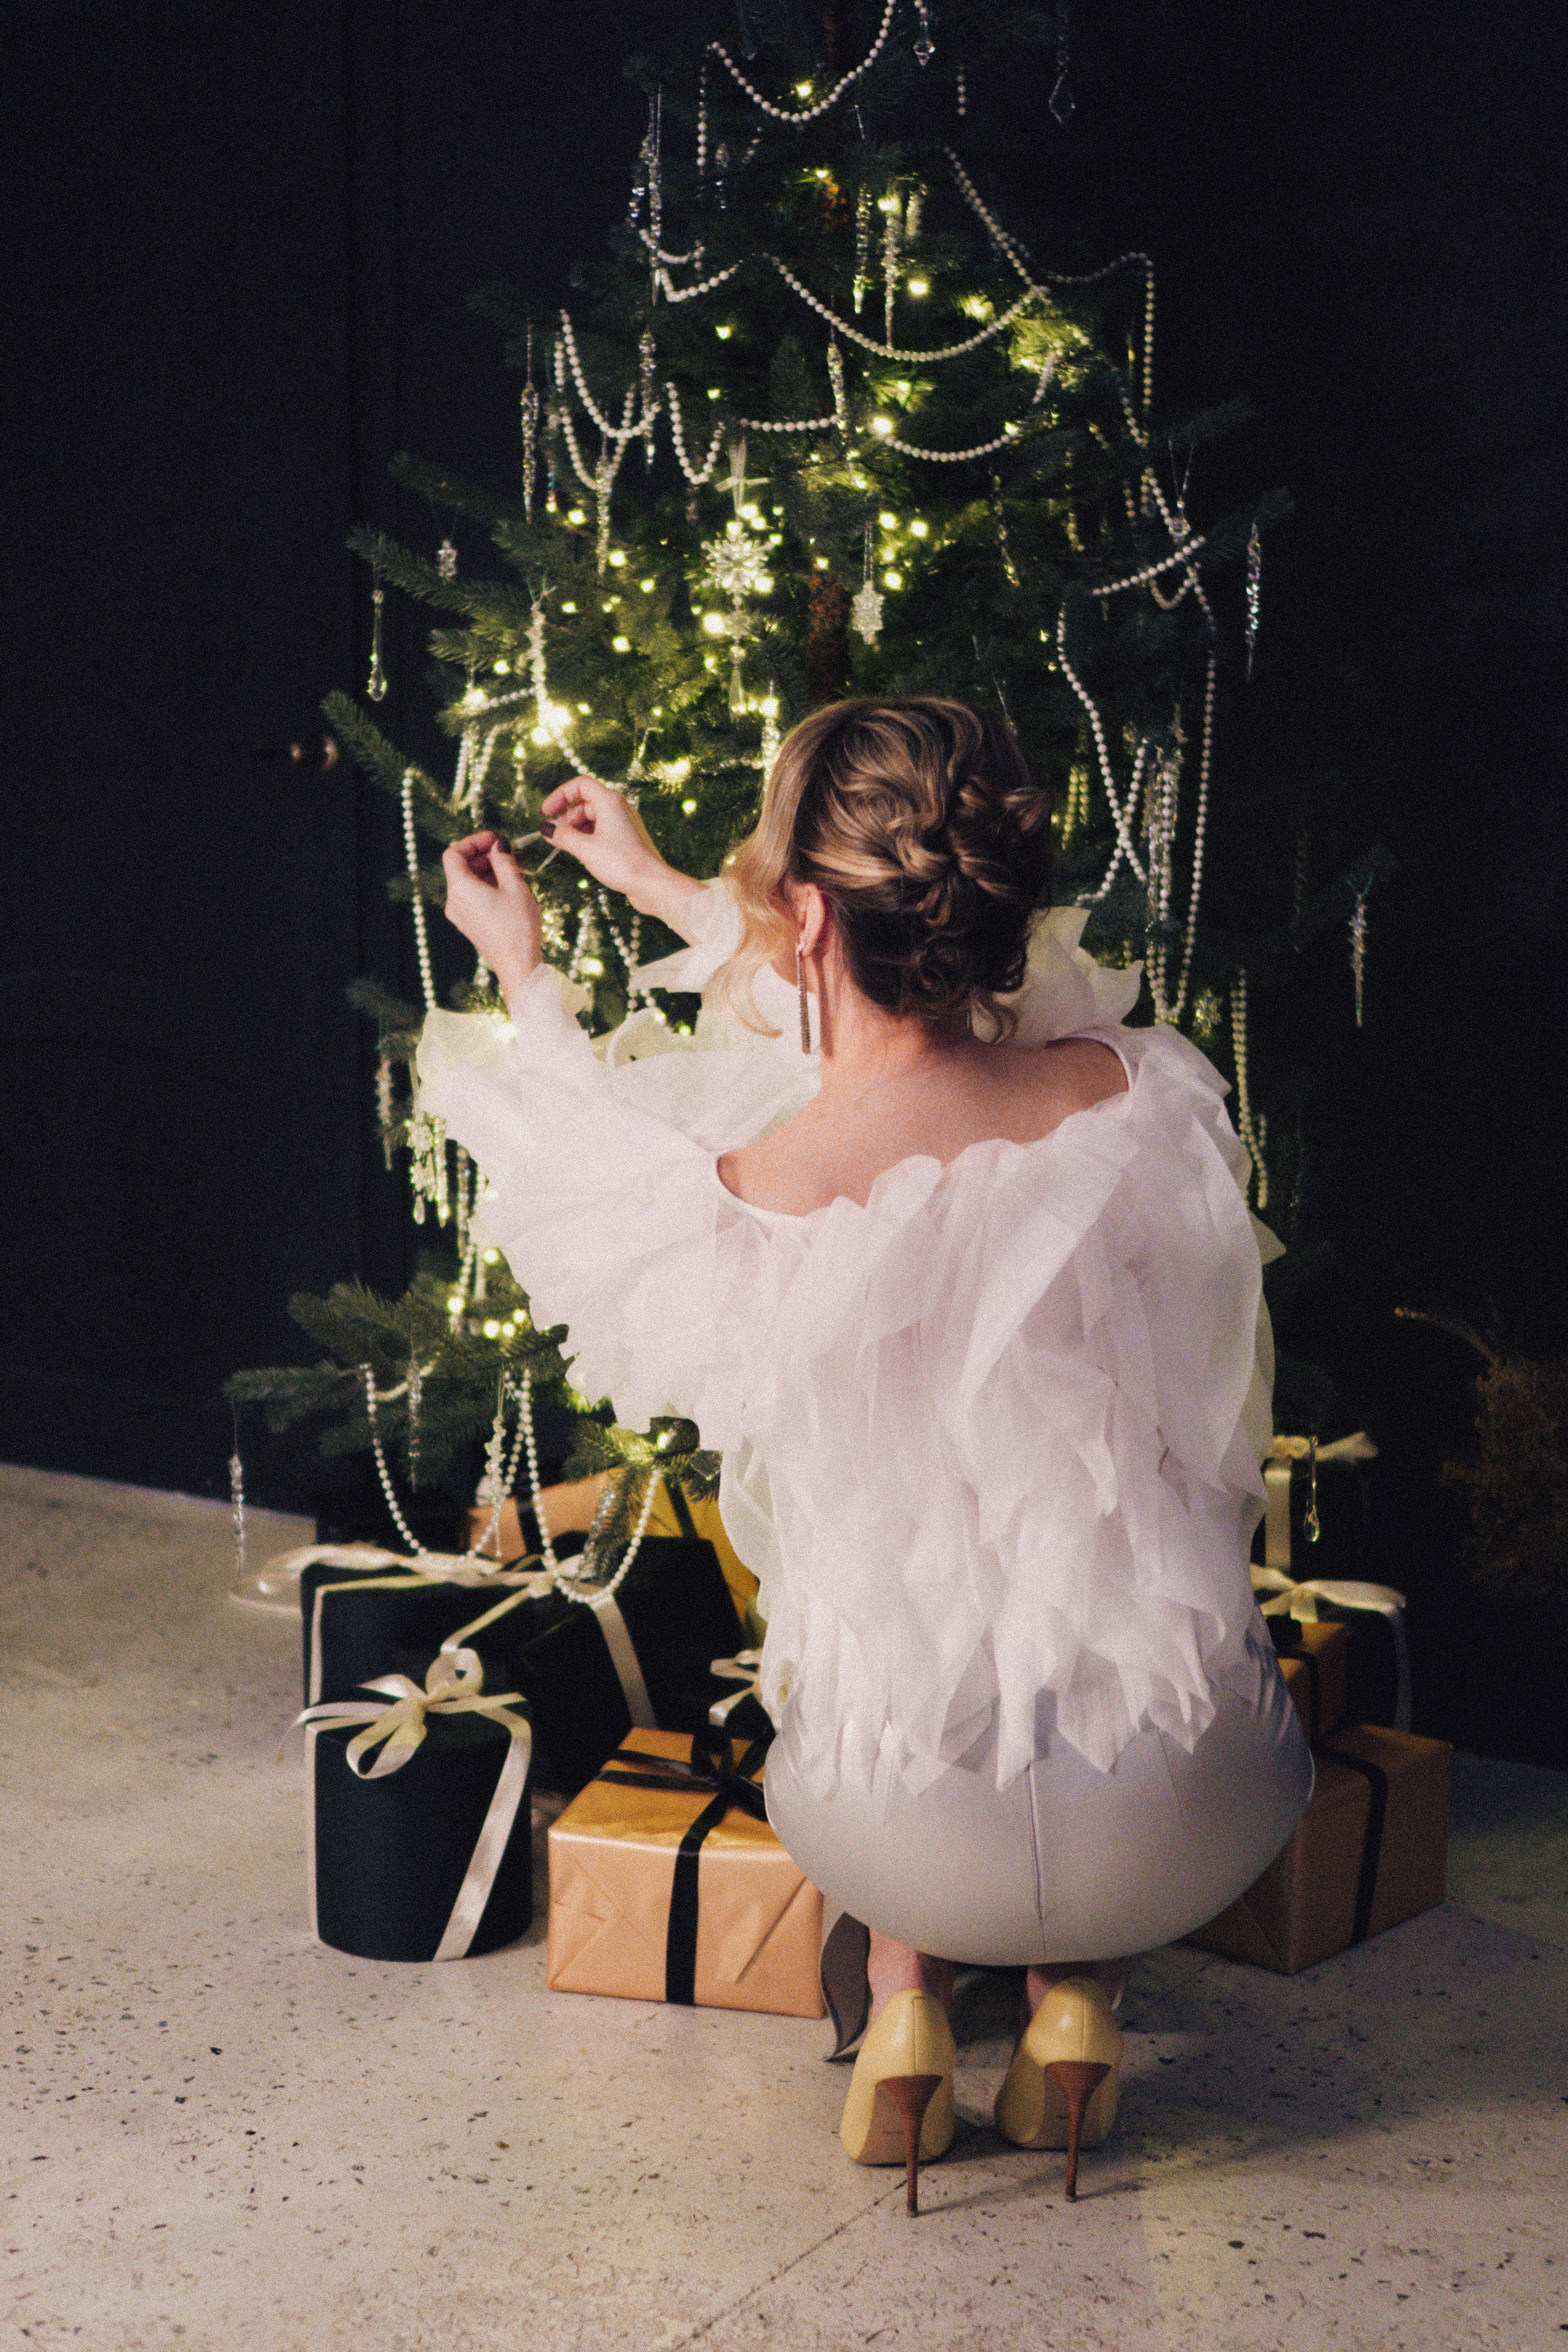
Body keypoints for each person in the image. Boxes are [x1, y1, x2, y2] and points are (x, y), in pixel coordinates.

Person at [422, 697, 1313, 2212]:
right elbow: (894, 1010)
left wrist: (527, 967)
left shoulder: (748, 1198)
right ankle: (1073, 2000)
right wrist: (657, 884)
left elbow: (575, 1152)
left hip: (905, 1836)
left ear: (816, 916)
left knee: (889, 1622)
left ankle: (906, 2004)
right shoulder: (1141, 1093)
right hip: (1196, 1801)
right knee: (1067, 1570)